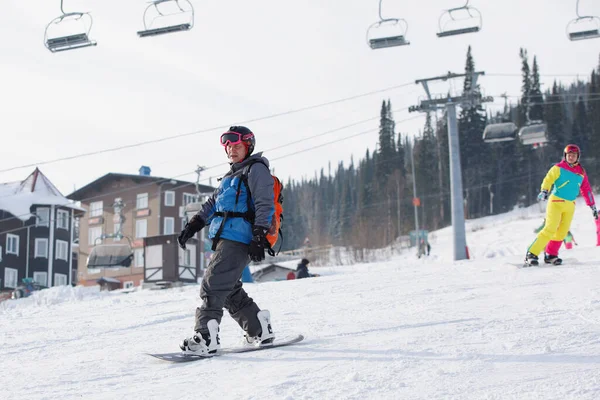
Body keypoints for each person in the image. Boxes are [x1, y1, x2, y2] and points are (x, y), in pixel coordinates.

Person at [177, 126, 275, 356]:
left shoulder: (256, 170)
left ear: (248, 146)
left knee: (213, 284)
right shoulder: (231, 176)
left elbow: (265, 203)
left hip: (240, 239)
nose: (231, 149)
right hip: (226, 238)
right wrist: (193, 225)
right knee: (228, 289)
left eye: (237, 145)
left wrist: (259, 236)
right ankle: (259, 328)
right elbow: (212, 204)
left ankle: (206, 338)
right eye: (228, 146)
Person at [525, 144, 597, 266]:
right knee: (550, 228)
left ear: (577, 157)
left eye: (574, 155)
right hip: (556, 202)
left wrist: (592, 205)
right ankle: (531, 254)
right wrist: (544, 190)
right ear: (565, 156)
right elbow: (548, 179)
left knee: (562, 232)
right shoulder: (558, 168)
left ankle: (551, 254)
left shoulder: (581, 172)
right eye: (569, 155)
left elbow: (586, 189)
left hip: (570, 205)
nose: (571, 157)